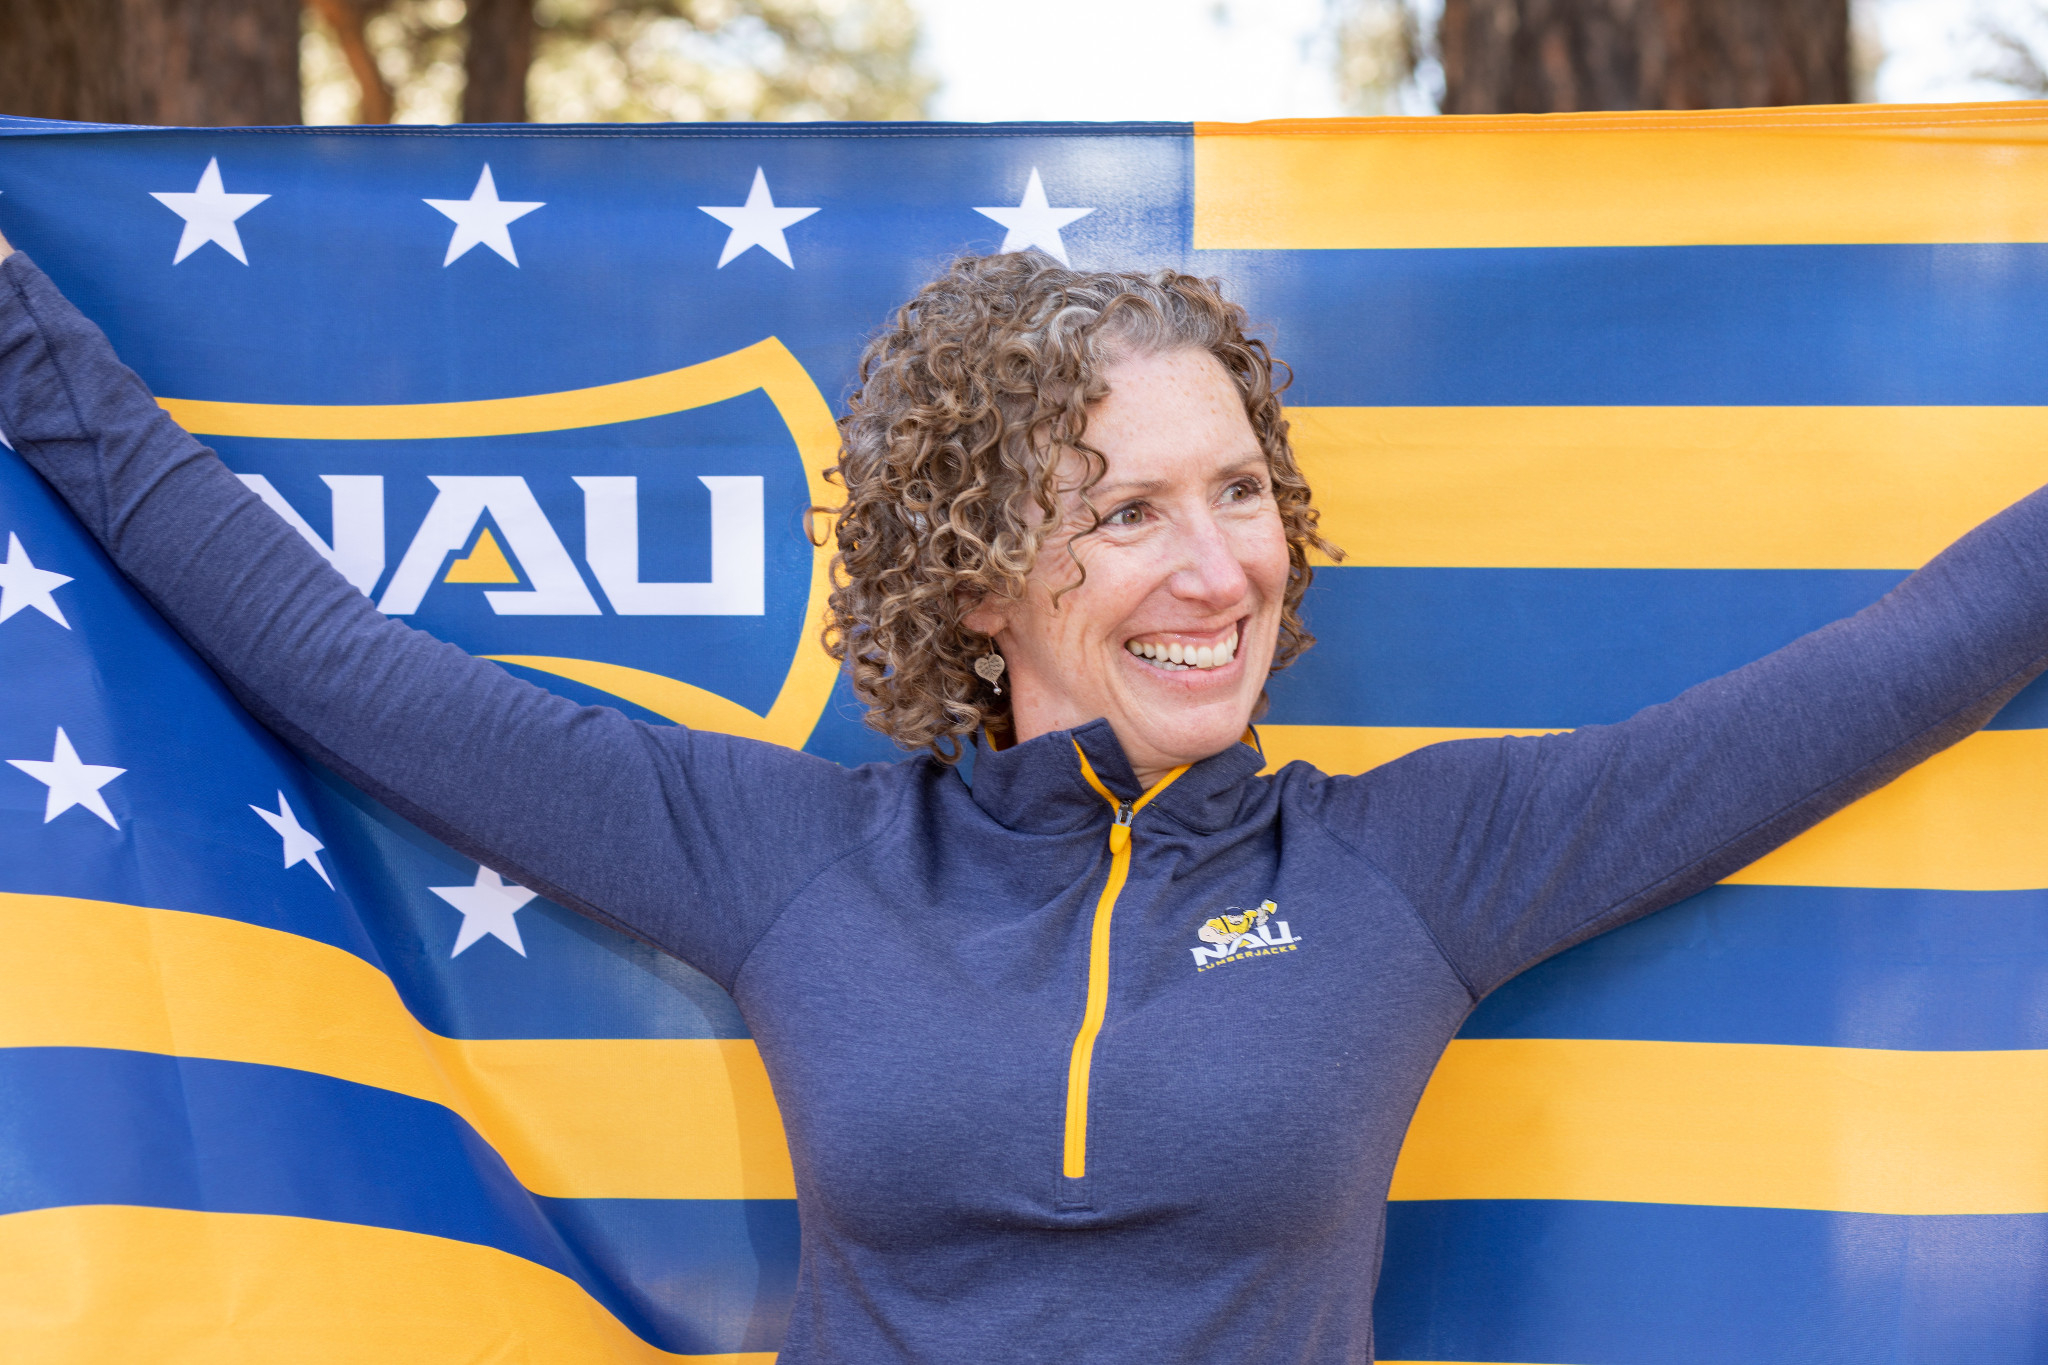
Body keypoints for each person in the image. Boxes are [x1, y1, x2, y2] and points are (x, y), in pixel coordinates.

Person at [4, 233, 2047, 1365]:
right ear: (978, 571)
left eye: (1241, 493)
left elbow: (1901, 661)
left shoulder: (1410, 862)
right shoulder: (795, 858)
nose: (1216, 567)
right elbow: (332, 659)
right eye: (1129, 512)